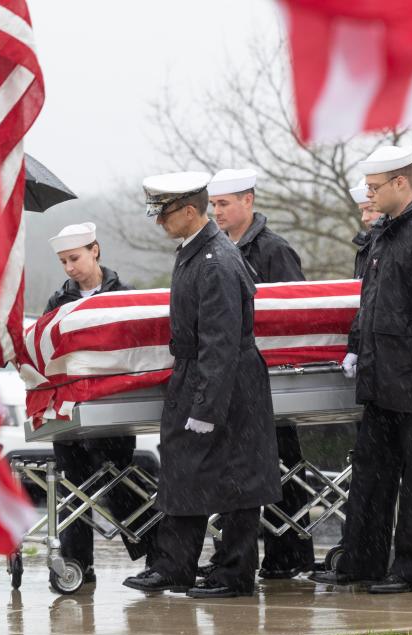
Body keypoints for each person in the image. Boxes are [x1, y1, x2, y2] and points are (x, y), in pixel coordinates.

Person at [310, 145, 412, 594]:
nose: (369, 194)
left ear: (401, 183)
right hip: (383, 379)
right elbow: (372, 302)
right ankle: (362, 561)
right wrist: (357, 348)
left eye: (375, 187)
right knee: (371, 475)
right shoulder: (388, 234)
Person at [122, 171, 281, 598]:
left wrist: (207, 408)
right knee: (185, 472)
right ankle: (176, 566)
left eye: (164, 213)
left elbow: (221, 341)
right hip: (200, 373)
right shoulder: (198, 253)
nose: (159, 221)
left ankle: (234, 573)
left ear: (190, 211)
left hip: (225, 381)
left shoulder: (216, 261)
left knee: (238, 480)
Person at [203, 168, 313, 581]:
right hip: (237, 373)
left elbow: (293, 314)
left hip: (271, 375)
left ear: (248, 201)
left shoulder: (273, 250)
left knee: (282, 465)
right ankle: (235, 552)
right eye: (213, 204)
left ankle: (289, 552)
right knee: (237, 469)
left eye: (224, 204)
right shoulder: (218, 249)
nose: (217, 212)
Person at [44, 222, 157, 582]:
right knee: (72, 491)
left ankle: (156, 556)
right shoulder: (58, 301)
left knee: (121, 485)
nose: (69, 268)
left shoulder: (124, 296)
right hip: (71, 408)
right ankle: (79, 564)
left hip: (113, 406)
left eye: (74, 258)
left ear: (95, 250)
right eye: (63, 261)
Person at [349, 177, 383, 280]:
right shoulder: (367, 248)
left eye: (370, 210)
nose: (364, 218)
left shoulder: (397, 245)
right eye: (362, 211)